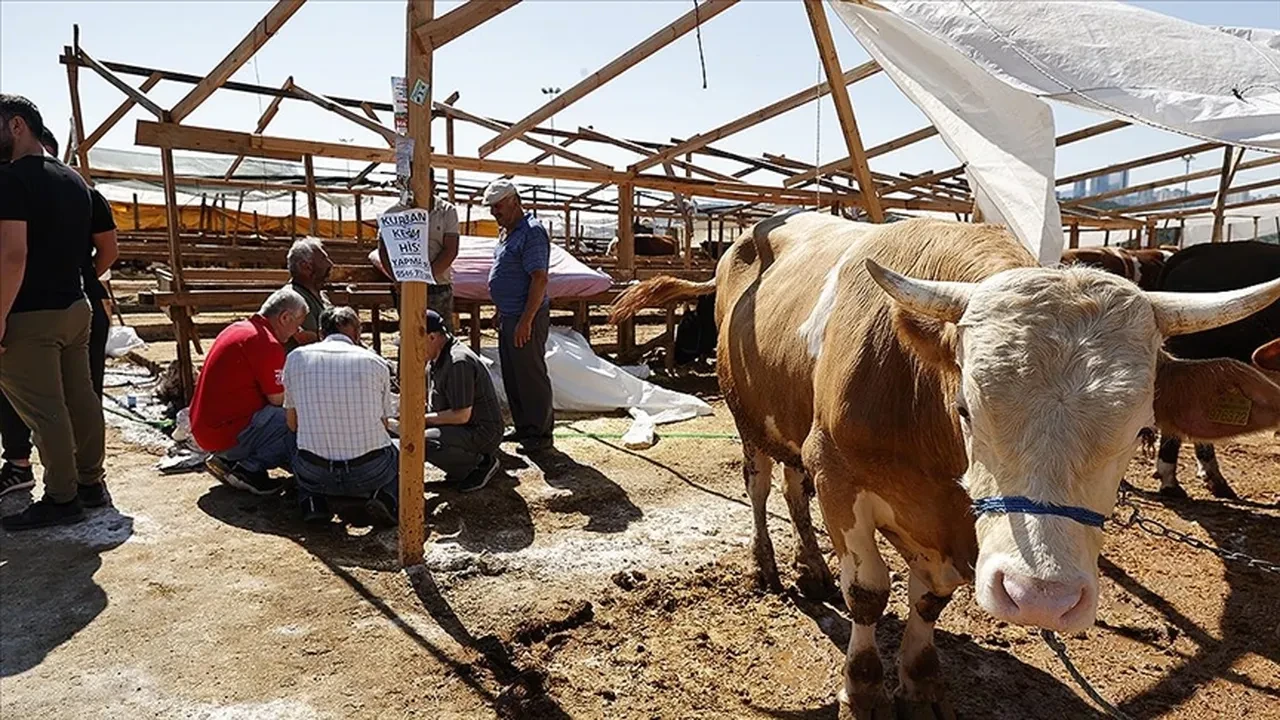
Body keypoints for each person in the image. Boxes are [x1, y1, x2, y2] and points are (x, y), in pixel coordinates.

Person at [0, 94, 108, 529]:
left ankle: (61, 498)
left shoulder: (11, 181)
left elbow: (12, 258)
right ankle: (90, 483)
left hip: (30, 314)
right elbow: (98, 249)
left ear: (16, 125)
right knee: (80, 399)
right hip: (74, 307)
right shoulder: (74, 181)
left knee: (45, 411)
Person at [283, 306, 398, 525]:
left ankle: (311, 500)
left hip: (314, 471)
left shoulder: (295, 358)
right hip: (369, 471)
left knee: (290, 436)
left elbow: (292, 423)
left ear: (320, 333)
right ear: (357, 333)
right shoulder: (375, 362)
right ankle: (387, 498)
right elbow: (383, 423)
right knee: (397, 451)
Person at [192, 288, 307, 495]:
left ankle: (229, 460)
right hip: (226, 433)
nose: (297, 333)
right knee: (297, 420)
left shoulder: (238, 328)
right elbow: (279, 399)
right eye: (297, 325)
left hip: (206, 429)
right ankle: (249, 468)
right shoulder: (267, 343)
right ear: (284, 317)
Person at [483, 180, 554, 452]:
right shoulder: (508, 232)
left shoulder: (531, 232)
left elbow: (539, 278)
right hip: (511, 314)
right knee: (514, 374)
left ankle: (540, 433)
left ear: (514, 201)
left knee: (530, 374)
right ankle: (525, 426)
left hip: (526, 315)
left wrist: (526, 320)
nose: (494, 212)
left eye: (497, 206)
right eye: (492, 207)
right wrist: (500, 309)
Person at [425, 309, 501, 492]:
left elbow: (461, 415)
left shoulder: (458, 362)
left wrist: (421, 420)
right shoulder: (434, 359)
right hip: (459, 427)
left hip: (480, 432)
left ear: (431, 337)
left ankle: (479, 464)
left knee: (418, 440)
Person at [375, 189, 460, 327]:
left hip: (437, 286)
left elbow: (450, 250)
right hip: (406, 285)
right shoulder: (393, 213)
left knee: (440, 336)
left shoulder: (446, 211)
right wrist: (397, 277)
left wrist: (425, 276)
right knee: (410, 333)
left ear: (433, 184)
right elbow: (384, 250)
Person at [282, 237, 332, 353]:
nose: (330, 264)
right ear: (305, 266)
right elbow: (312, 341)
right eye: (323, 259)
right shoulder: (293, 299)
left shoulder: (322, 296)